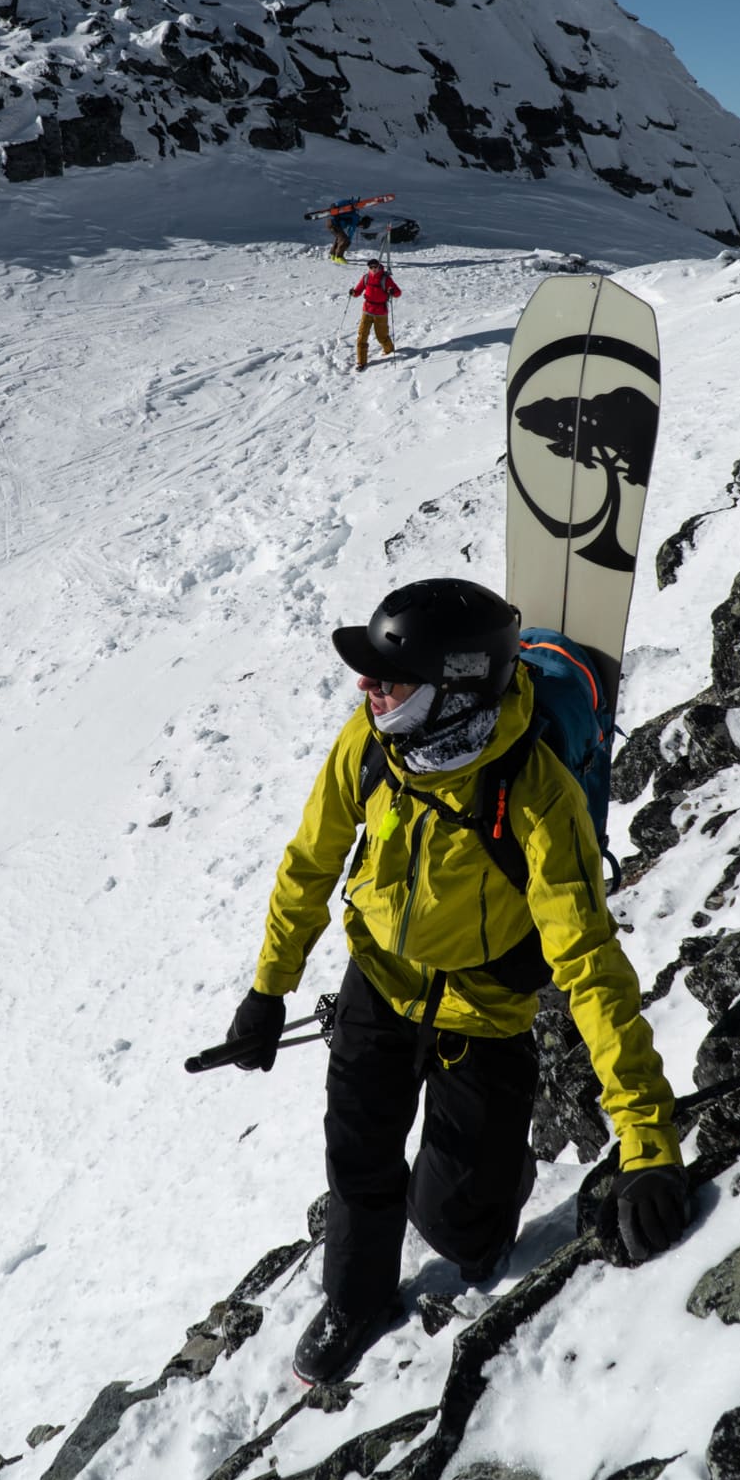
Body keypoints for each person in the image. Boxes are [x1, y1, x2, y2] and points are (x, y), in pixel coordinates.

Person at [224, 578, 688, 1385]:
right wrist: (269, 990)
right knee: (358, 1161)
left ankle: (494, 1186)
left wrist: (647, 1144)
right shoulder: (369, 745)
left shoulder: (536, 796)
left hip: (483, 1011)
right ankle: (354, 1300)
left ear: (453, 689)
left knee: (457, 1229)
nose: (367, 688)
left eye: (387, 677)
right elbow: (309, 865)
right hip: (377, 979)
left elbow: (589, 966)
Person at [349, 257, 401, 371]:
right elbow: (358, 291)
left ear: (379, 266)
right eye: (371, 267)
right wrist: (353, 292)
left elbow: (398, 293)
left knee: (381, 336)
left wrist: (392, 291)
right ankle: (361, 362)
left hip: (380, 312)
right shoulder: (366, 277)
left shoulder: (385, 279)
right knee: (362, 336)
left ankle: (389, 350)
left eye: (375, 267)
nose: (373, 269)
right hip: (367, 310)